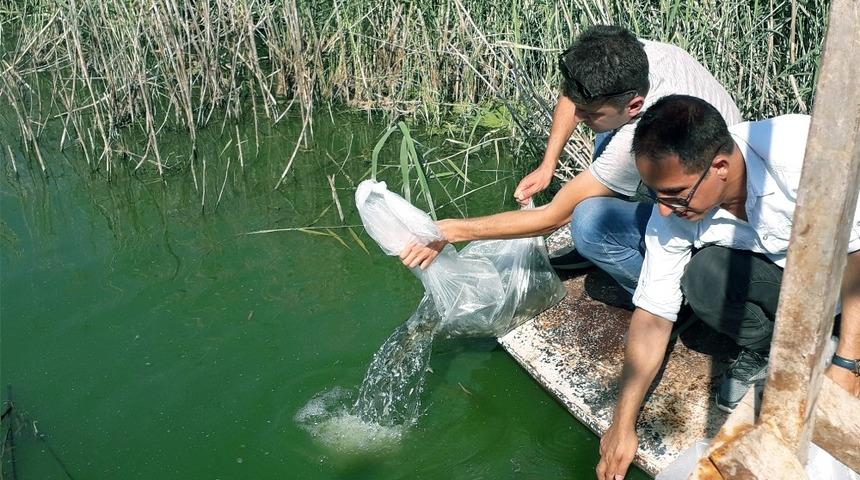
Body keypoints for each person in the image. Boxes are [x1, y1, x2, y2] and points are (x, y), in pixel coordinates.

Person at [593, 95, 859, 480]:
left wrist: (849, 363)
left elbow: (857, 253)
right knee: (706, 276)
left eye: (675, 195)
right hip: (794, 281)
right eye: (656, 195)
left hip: (846, 273)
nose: (665, 210)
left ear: (719, 166)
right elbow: (653, 313)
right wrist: (622, 424)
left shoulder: (802, 153)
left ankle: (840, 342)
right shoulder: (676, 203)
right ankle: (774, 347)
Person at [401, 25, 742, 297]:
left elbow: (552, 217)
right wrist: (548, 164)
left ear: (635, 106)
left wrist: (451, 230)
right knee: (605, 127)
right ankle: (615, 240)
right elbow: (573, 93)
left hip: (703, 197)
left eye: (588, 112)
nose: (579, 115)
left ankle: (668, 294)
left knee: (588, 222)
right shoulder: (628, 60)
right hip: (677, 157)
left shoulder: (641, 129)